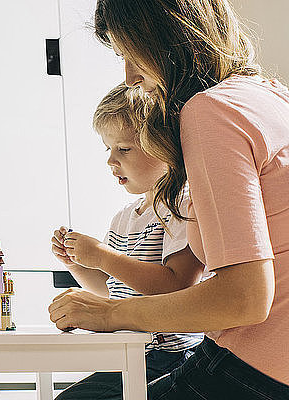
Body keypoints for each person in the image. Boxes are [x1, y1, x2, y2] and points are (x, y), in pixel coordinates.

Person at [49, 0, 289, 398]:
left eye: (131, 53)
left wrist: (110, 314)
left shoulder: (210, 109)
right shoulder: (270, 94)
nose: (129, 76)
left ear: (168, 39)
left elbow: (245, 297)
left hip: (253, 366)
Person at [51, 83, 204, 400]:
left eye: (123, 149)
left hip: (171, 355)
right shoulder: (125, 217)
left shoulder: (181, 202)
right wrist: (76, 262)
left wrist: (103, 257)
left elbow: (176, 284)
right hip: (132, 351)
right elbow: (112, 289)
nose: (111, 160)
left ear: (164, 148)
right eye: (108, 149)